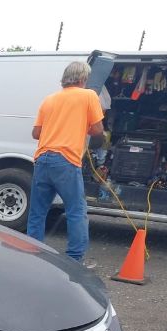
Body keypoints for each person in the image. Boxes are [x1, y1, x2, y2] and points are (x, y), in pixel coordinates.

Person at [27, 61, 104, 264]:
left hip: (42, 159)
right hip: (66, 160)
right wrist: (78, 127)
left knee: (37, 212)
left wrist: (57, 127)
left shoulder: (49, 99)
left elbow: (36, 133)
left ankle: (32, 256)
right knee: (76, 211)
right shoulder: (89, 96)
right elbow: (97, 130)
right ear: (82, 79)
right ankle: (74, 259)